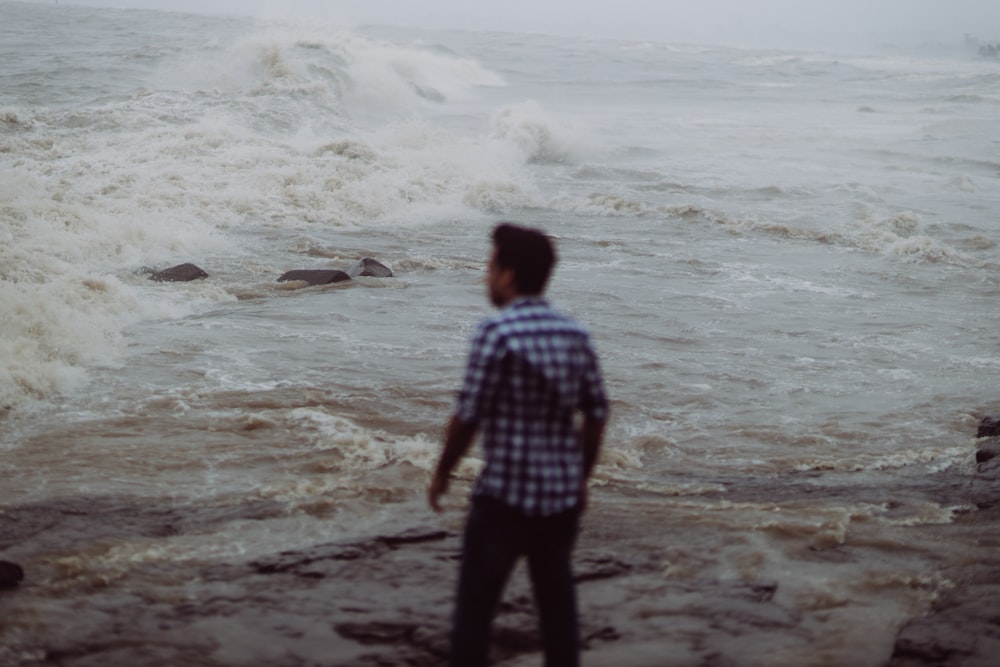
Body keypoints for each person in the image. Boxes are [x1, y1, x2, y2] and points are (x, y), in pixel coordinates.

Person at [428, 222, 609, 667]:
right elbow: (597, 413)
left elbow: (469, 415)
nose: (486, 277)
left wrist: (442, 473)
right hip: (560, 502)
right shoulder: (575, 334)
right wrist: (580, 479)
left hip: (504, 500)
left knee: (474, 613)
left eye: (490, 267)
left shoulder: (497, 332)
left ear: (509, 274)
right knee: (557, 612)